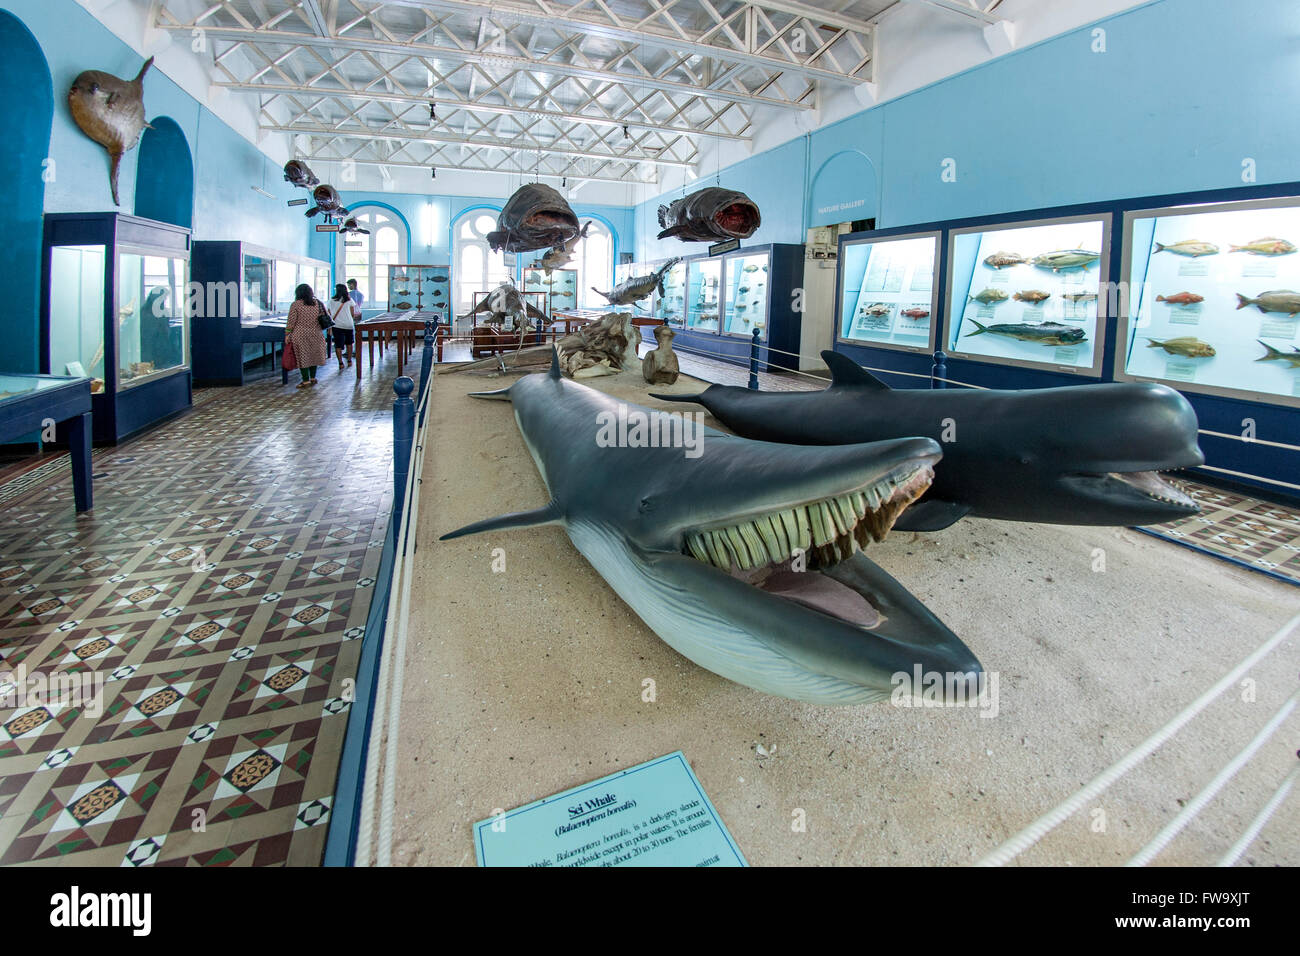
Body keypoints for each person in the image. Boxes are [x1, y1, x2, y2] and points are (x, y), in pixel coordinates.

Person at [286, 283, 329, 388]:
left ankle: (305, 380)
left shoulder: (296, 305)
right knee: (313, 356)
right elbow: (325, 316)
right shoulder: (317, 303)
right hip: (316, 333)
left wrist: (287, 334)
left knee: (303, 356)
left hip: (300, 334)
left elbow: (291, 321)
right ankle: (313, 378)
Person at [329, 283, 356, 369]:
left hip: (337, 325)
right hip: (348, 324)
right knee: (349, 343)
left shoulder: (331, 301)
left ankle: (340, 363)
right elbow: (352, 313)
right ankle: (349, 361)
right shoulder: (349, 300)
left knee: (338, 345)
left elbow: (329, 313)